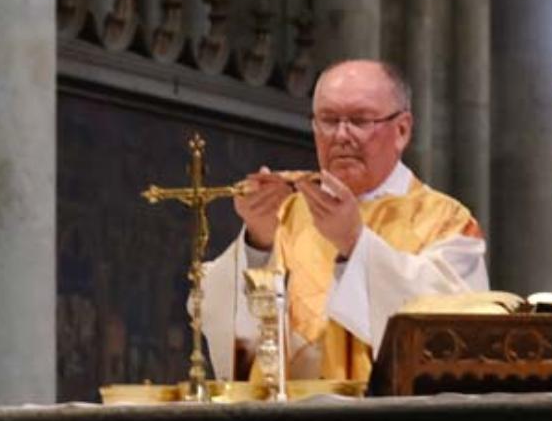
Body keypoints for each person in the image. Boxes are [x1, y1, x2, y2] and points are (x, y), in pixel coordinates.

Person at [199, 59, 489, 382]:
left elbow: (454, 335)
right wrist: (257, 243)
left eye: (359, 120)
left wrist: (355, 243)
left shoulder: (445, 221)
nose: (341, 135)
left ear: (402, 130)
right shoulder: (286, 212)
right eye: (328, 120)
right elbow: (224, 325)